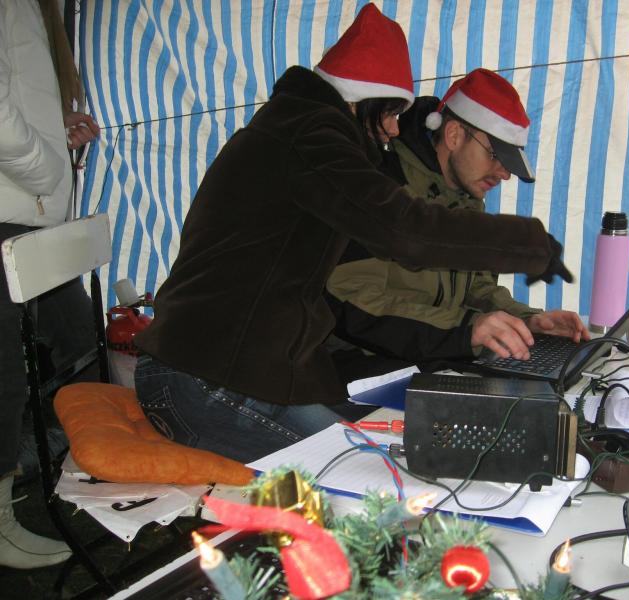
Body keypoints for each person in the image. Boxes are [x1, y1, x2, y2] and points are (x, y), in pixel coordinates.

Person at [133, 3, 572, 464]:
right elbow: (405, 232)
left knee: (390, 456)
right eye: (390, 112)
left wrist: (519, 317)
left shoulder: (294, 129)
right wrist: (532, 245)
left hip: (233, 372)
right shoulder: (311, 135)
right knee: (368, 475)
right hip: (204, 377)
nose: (394, 129)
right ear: (361, 100)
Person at [325, 69, 589, 380]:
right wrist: (466, 330)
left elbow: (477, 286)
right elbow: (352, 302)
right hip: (361, 369)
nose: (504, 173)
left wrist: (526, 321)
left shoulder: (465, 198)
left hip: (433, 358)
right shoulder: (382, 191)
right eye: (495, 155)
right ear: (453, 136)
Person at [0, 0, 100, 569]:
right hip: (11, 206)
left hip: (27, 209)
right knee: (5, 372)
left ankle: (89, 458)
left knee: (81, 340)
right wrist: (45, 165)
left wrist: (51, 127)